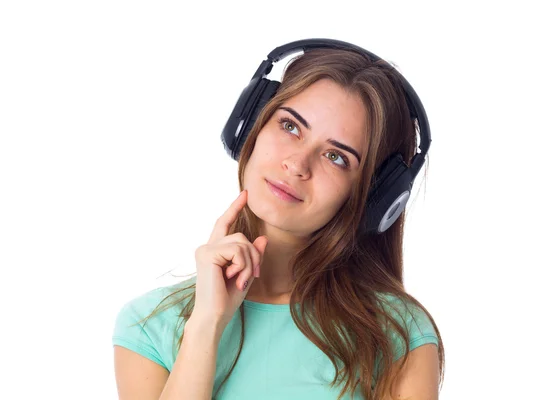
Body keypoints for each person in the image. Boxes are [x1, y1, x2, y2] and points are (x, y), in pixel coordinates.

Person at [112, 39, 445, 400]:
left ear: (372, 199)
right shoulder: (149, 326)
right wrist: (205, 325)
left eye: (336, 157)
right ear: (251, 126)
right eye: (289, 126)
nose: (297, 164)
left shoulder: (397, 334)